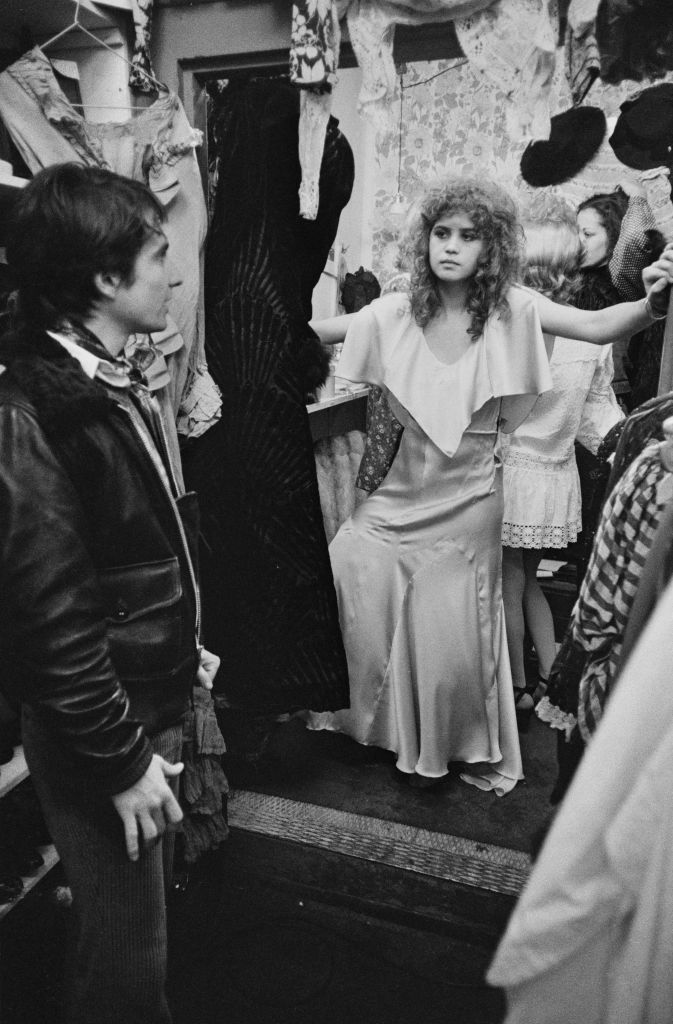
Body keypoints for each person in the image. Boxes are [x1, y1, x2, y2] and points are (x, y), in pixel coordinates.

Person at [306, 175, 673, 794]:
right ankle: (371, 729)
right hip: (399, 495)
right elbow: (318, 333)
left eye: (468, 236)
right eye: (440, 234)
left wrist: (651, 303)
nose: (450, 246)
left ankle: (441, 745)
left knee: (446, 627)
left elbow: (602, 326)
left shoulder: (517, 310)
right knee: (351, 567)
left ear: (493, 246)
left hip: (469, 498)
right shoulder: (396, 310)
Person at [0, 163, 220, 1024]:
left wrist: (179, 638)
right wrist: (124, 759)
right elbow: (49, 624)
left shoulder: (91, 380)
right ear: (103, 277)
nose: (173, 274)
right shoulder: (35, 411)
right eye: (159, 254)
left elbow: (132, 545)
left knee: (133, 935)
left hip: (133, 703)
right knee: (128, 961)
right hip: (103, 729)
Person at [501, 201, 623, 723]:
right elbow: (599, 415)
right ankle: (551, 678)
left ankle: (518, 685)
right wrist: (627, 444)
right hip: (554, 476)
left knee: (506, 582)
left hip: (512, 473)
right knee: (528, 582)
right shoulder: (592, 336)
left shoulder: (513, 323)